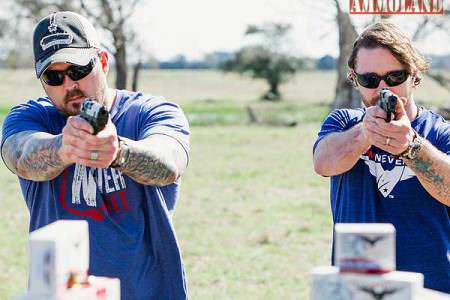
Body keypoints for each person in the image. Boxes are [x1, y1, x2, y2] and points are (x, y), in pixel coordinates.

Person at [1, 11, 190, 299]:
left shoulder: (153, 111)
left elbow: (169, 161)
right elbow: (21, 154)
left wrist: (120, 152)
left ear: (102, 62)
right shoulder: (29, 117)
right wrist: (62, 148)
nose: (69, 85)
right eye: (54, 76)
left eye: (77, 70)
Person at [313, 21, 449, 293]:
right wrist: (366, 132)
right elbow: (323, 163)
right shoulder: (343, 123)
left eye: (395, 77)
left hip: (430, 287)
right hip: (355, 286)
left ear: (414, 73)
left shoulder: (441, 133)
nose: (383, 88)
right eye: (370, 79)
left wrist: (410, 147)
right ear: (354, 79)